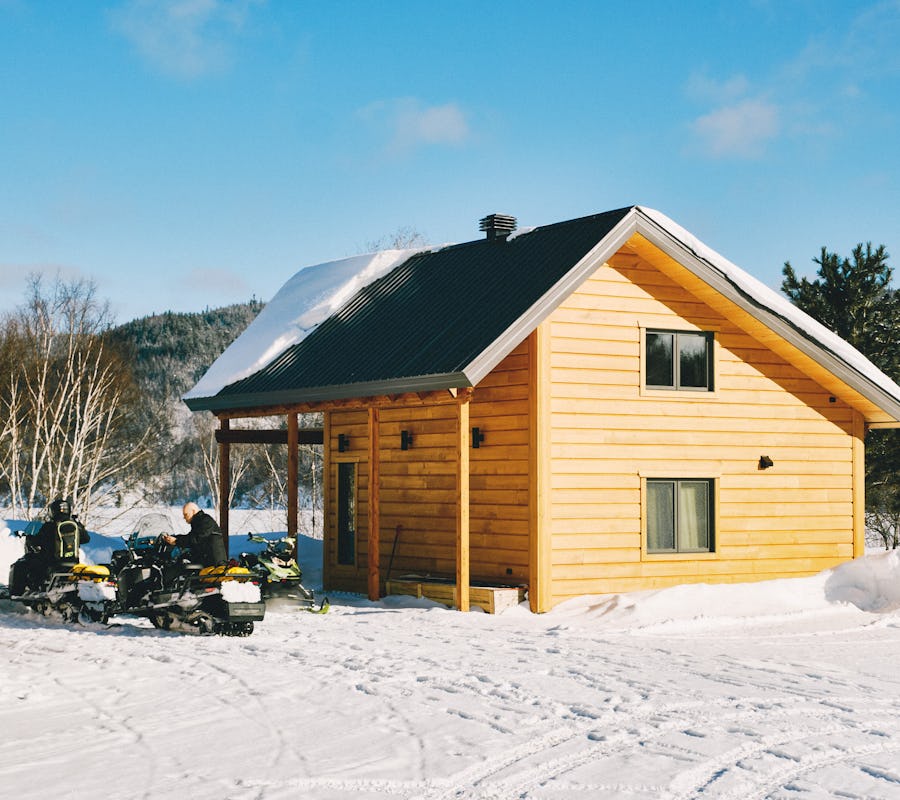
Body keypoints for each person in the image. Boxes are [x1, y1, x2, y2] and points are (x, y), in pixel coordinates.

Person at [9, 497, 90, 594]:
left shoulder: (49, 526)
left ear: (53, 511)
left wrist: (30, 538)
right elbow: (86, 539)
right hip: (73, 561)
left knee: (22, 564)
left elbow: (38, 540)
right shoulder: (76, 526)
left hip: (51, 561)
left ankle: (17, 592)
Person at [162, 502, 227, 567]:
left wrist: (176, 541)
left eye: (186, 514)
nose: (184, 517)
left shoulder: (206, 521)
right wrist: (174, 538)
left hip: (214, 564)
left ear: (193, 511)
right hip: (206, 561)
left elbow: (195, 539)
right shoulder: (198, 521)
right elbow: (191, 537)